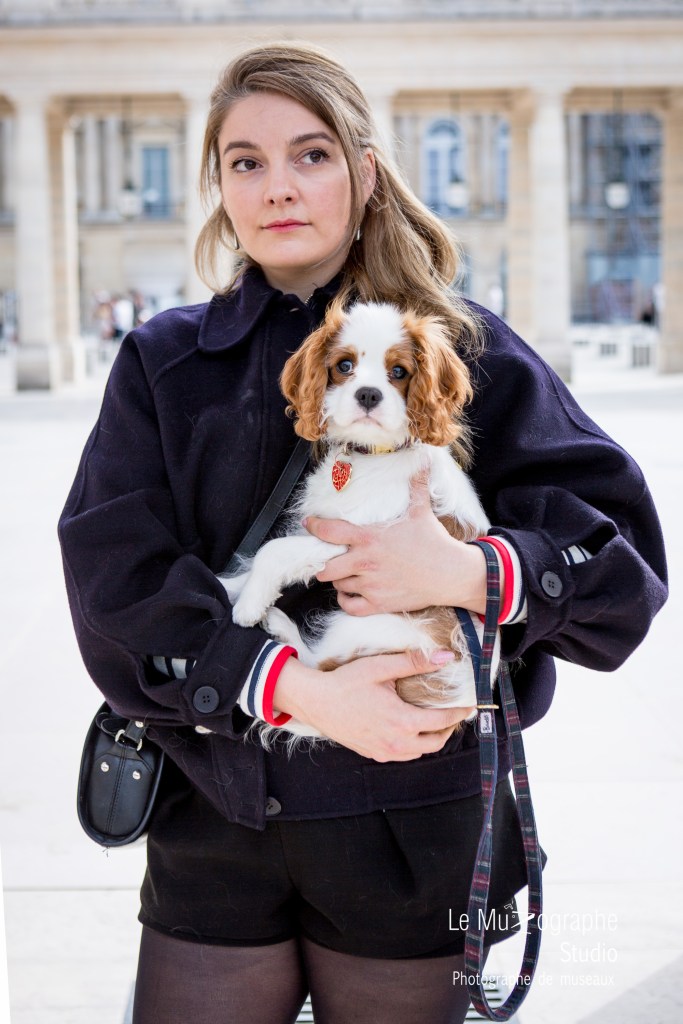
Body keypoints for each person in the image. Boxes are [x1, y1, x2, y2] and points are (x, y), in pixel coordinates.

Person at [58, 43, 667, 1024]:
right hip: (217, 813)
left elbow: (622, 568)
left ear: (364, 170)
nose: (277, 186)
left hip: (412, 824)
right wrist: (290, 686)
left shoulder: (467, 350)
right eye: (244, 161)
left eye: (310, 153)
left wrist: (469, 570)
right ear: (217, 183)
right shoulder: (164, 362)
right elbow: (110, 578)